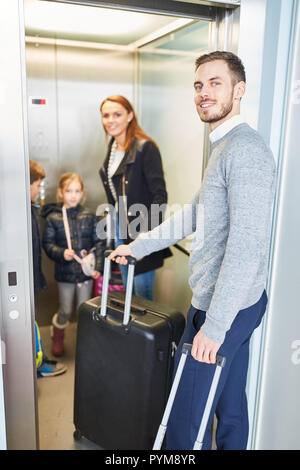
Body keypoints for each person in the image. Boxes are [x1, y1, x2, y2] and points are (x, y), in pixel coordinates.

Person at [108, 51, 276, 450]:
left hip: (225, 307)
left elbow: (247, 246)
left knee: (185, 423)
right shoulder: (224, 148)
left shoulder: (245, 150)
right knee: (230, 408)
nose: (203, 92)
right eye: (199, 85)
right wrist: (137, 245)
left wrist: (214, 327)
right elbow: (191, 216)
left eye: (216, 82)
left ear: (240, 90)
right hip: (236, 301)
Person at [99, 94, 171, 301]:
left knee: (142, 296)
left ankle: (147, 334)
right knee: (129, 291)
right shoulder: (114, 148)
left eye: (117, 114)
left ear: (130, 116)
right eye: (106, 115)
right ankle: (132, 333)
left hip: (141, 232)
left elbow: (160, 195)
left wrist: (144, 239)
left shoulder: (144, 147)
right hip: (121, 228)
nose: (110, 120)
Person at [42, 172, 104, 357]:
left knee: (83, 310)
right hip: (65, 274)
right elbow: (48, 244)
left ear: (83, 192)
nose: (73, 195)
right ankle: (58, 335)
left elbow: (99, 243)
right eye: (69, 191)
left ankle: (84, 343)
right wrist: (61, 253)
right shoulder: (54, 218)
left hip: (86, 274)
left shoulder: (90, 216)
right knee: (66, 310)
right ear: (61, 193)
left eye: (77, 191)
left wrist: (98, 267)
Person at [30, 160, 67, 377]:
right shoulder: (18, 212)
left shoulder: (32, 209)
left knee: (31, 322)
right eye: (37, 185)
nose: (39, 190)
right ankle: (36, 365)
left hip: (33, 276)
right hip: (25, 280)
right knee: (30, 323)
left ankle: (37, 360)